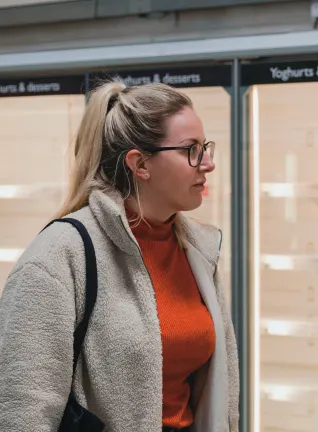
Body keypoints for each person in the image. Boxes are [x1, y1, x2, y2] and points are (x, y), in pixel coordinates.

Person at [0, 80, 239, 432]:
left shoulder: (198, 250)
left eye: (206, 148)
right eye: (191, 150)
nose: (207, 164)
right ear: (140, 164)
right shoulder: (60, 256)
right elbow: (23, 408)